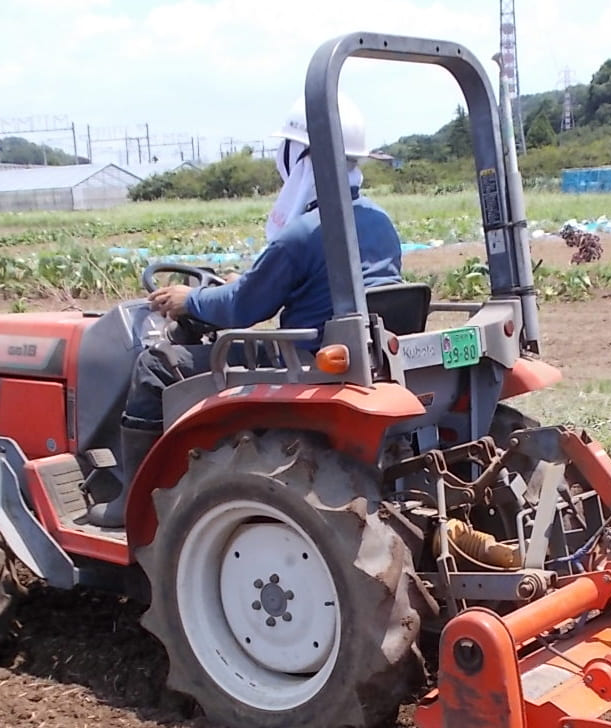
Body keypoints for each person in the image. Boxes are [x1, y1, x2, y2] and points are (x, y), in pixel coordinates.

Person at [88, 93, 402, 527]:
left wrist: (190, 300)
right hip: (359, 351)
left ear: (298, 156)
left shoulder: (304, 233)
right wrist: (243, 284)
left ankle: (132, 502)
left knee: (157, 363)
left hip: (306, 360)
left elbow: (241, 309)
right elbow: (307, 284)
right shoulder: (378, 220)